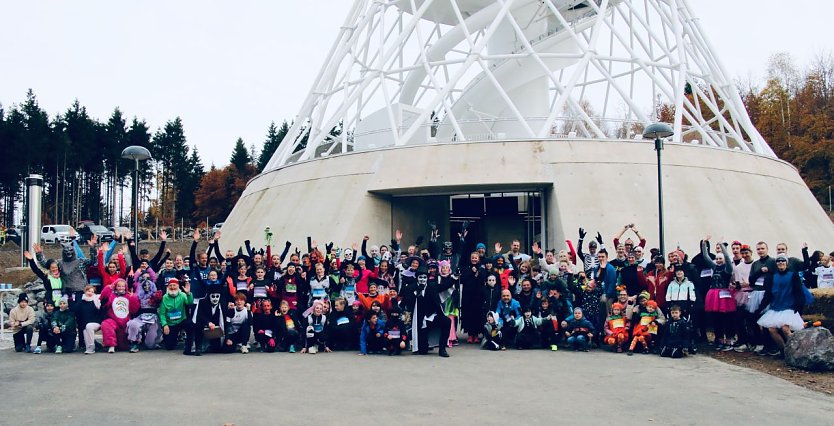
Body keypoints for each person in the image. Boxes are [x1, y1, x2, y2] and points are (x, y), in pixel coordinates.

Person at [756, 254, 806, 357]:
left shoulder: (793, 275)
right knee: (772, 330)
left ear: (786, 263)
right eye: (778, 261)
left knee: (785, 329)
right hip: (776, 308)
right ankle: (784, 351)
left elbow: (799, 293)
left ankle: (797, 349)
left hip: (789, 307)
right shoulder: (772, 277)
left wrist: (799, 308)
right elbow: (768, 294)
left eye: (783, 261)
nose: (780, 263)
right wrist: (760, 308)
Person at [400, 267, 452, 357]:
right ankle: (424, 345)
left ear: (427, 278)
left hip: (432, 316)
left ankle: (442, 349)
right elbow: (406, 301)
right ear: (417, 278)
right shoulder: (411, 288)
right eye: (420, 277)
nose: (422, 280)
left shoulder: (432, 286)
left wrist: (454, 277)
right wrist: (417, 293)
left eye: (424, 277)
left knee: (447, 321)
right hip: (419, 321)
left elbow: (445, 286)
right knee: (422, 351)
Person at [99, 278, 139, 353]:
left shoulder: (129, 295)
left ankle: (132, 343)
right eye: (119, 286)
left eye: (123, 286)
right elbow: (102, 297)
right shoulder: (111, 295)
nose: (121, 288)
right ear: (115, 286)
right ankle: (111, 345)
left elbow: (134, 310)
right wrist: (108, 287)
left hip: (126, 321)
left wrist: (133, 298)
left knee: (123, 347)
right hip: (113, 320)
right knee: (106, 324)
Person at [158, 278, 195, 355]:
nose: (172, 287)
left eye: (174, 285)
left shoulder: (183, 295)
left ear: (178, 286)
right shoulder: (165, 297)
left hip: (182, 320)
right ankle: (174, 339)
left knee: (190, 325)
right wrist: (164, 325)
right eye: (170, 285)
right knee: (169, 346)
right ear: (168, 287)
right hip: (170, 323)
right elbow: (162, 313)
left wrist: (188, 294)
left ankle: (189, 346)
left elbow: (190, 303)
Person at [76, 285, 103, 354]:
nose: (90, 293)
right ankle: (92, 347)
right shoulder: (81, 301)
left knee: (89, 326)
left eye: (92, 292)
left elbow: (101, 312)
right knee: (85, 330)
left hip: (97, 322)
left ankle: (92, 345)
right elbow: (75, 310)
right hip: (86, 324)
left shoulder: (96, 300)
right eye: (88, 291)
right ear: (85, 291)